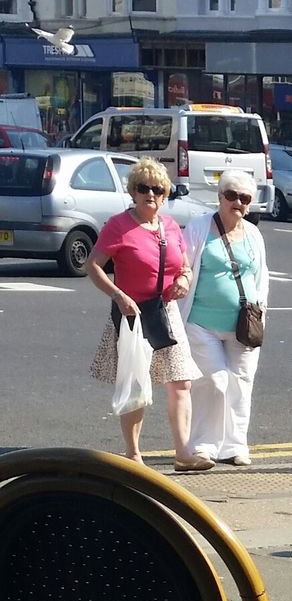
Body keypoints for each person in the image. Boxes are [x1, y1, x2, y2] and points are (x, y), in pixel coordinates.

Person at [86, 158, 204, 470]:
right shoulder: (118, 225)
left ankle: (184, 453)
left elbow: (185, 266)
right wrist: (118, 295)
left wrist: (183, 280)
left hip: (166, 313)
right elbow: (93, 265)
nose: (150, 194)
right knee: (136, 385)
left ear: (165, 195)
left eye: (157, 189)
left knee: (181, 382)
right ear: (133, 193)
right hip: (132, 315)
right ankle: (133, 454)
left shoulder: (169, 227)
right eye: (143, 188)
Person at [178, 169, 270, 468]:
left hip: (242, 325)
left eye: (244, 198)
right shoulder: (199, 227)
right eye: (231, 196)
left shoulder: (253, 234)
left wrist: (261, 315)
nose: (238, 203)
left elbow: (260, 278)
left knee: (241, 384)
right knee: (214, 383)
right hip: (201, 322)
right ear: (219, 197)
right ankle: (203, 446)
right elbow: (183, 264)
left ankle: (235, 446)